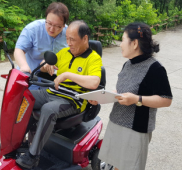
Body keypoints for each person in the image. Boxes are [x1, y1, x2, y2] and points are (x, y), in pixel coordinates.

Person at [15, 20, 103, 169]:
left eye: (72, 39)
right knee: (24, 97)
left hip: (73, 100)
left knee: (48, 109)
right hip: (52, 92)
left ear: (85, 38)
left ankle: (33, 156)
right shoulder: (64, 53)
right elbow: (45, 63)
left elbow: (94, 82)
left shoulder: (93, 58)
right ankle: (20, 142)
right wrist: (46, 65)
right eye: (67, 38)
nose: (68, 43)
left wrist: (67, 75)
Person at [98, 22, 173, 170]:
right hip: (116, 122)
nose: (120, 44)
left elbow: (166, 100)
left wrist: (137, 99)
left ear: (134, 43)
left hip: (136, 128)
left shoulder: (155, 68)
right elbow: (122, 91)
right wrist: (104, 97)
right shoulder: (127, 64)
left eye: (122, 39)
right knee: (114, 165)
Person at [14, 2, 69, 90]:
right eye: (49, 23)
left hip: (51, 80)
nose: (51, 29)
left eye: (57, 26)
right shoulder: (32, 29)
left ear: (63, 25)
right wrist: (24, 66)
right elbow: (19, 50)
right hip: (29, 76)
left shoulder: (69, 34)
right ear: (45, 18)